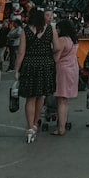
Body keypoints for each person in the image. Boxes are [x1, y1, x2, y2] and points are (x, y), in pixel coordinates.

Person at [13, 8, 56, 143]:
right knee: (41, 95)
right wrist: (52, 57)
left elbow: (21, 52)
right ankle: (36, 123)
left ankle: (30, 126)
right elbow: (58, 46)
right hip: (45, 64)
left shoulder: (25, 31)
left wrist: (16, 69)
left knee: (30, 98)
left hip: (29, 65)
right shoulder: (49, 29)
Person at [51, 18, 79, 135]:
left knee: (61, 100)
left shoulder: (62, 40)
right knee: (65, 100)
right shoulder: (73, 40)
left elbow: (56, 58)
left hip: (63, 70)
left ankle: (61, 128)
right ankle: (63, 124)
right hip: (73, 68)